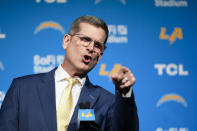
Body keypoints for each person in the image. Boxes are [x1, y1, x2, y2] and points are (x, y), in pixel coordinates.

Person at [0, 16, 139, 131]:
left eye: (97, 45)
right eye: (85, 39)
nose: (91, 48)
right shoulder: (22, 88)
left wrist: (124, 93)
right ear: (67, 41)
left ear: (100, 56)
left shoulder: (107, 102)